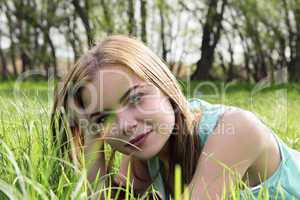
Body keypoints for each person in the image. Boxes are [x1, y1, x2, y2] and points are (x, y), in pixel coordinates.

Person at [50, 35, 300, 199]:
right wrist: (92, 134)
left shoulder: (237, 130)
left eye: (136, 98)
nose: (125, 125)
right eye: (104, 118)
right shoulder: (143, 149)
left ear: (165, 87)